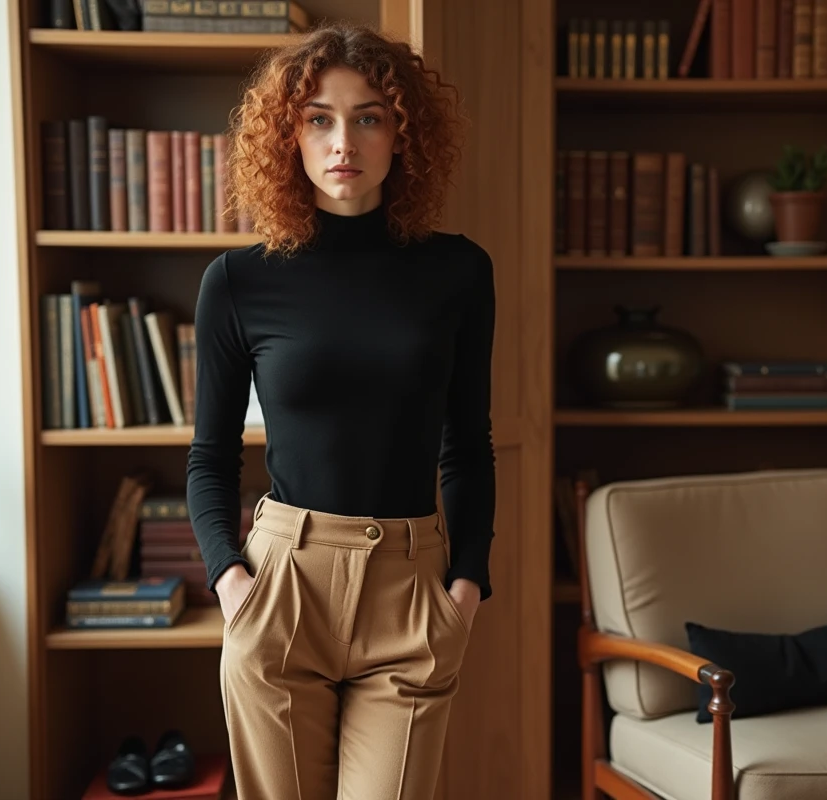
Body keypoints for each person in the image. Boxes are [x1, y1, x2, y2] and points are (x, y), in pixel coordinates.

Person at [185, 21, 496, 800]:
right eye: (318, 118)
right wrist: (230, 581)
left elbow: (468, 442)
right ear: (289, 136)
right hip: (283, 586)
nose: (342, 141)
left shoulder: (458, 272)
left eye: (368, 116)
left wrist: (467, 584)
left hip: (412, 591)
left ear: (404, 134)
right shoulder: (237, 282)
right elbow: (209, 458)